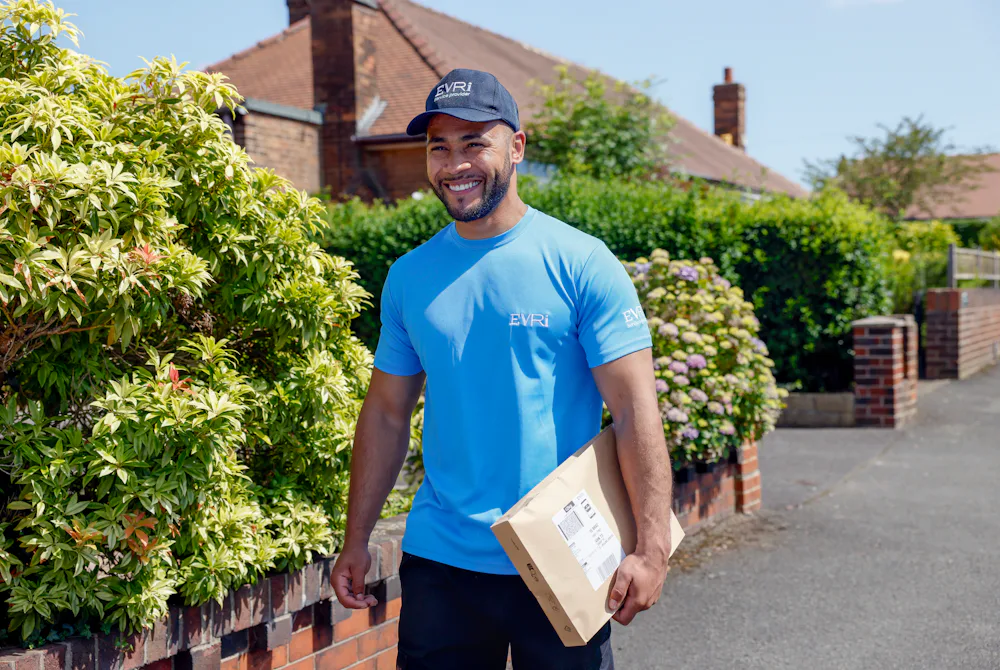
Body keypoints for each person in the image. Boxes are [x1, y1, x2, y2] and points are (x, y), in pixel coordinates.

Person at [331, 68, 673, 670]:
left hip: (559, 555)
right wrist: (356, 538)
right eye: (439, 146)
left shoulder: (581, 263)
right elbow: (386, 411)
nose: (454, 163)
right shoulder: (410, 275)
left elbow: (635, 409)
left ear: (517, 146)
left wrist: (650, 550)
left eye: (474, 143)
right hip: (443, 562)